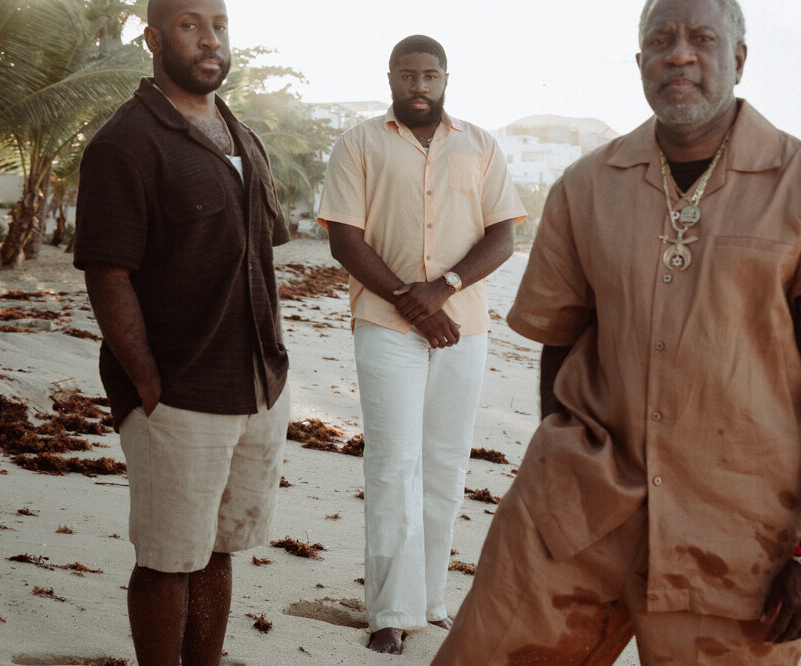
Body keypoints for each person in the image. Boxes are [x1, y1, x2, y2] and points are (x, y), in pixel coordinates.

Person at [434, 0, 801, 663]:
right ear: (641, 64)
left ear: (738, 59)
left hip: (737, 534)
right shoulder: (586, 187)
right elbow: (560, 338)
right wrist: (561, 461)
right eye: (660, 40)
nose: (680, 54)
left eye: (702, 39)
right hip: (576, 515)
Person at [73, 0, 292, 662]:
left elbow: (261, 253)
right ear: (153, 38)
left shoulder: (242, 136)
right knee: (168, 560)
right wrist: (147, 383)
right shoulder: (125, 142)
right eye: (191, 25)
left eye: (219, 26)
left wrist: (273, 378)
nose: (210, 40)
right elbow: (109, 276)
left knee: (218, 550)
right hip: (178, 393)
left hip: (257, 386)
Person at [317, 35, 526, 655]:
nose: (419, 86)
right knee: (392, 465)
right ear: (391, 78)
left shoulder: (481, 145)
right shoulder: (358, 142)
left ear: (445, 78)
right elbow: (345, 240)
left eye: (429, 75)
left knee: (445, 465)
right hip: (385, 326)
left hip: (464, 328)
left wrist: (445, 290)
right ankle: (389, 610)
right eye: (407, 75)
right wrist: (413, 301)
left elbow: (502, 236)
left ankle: (430, 601)